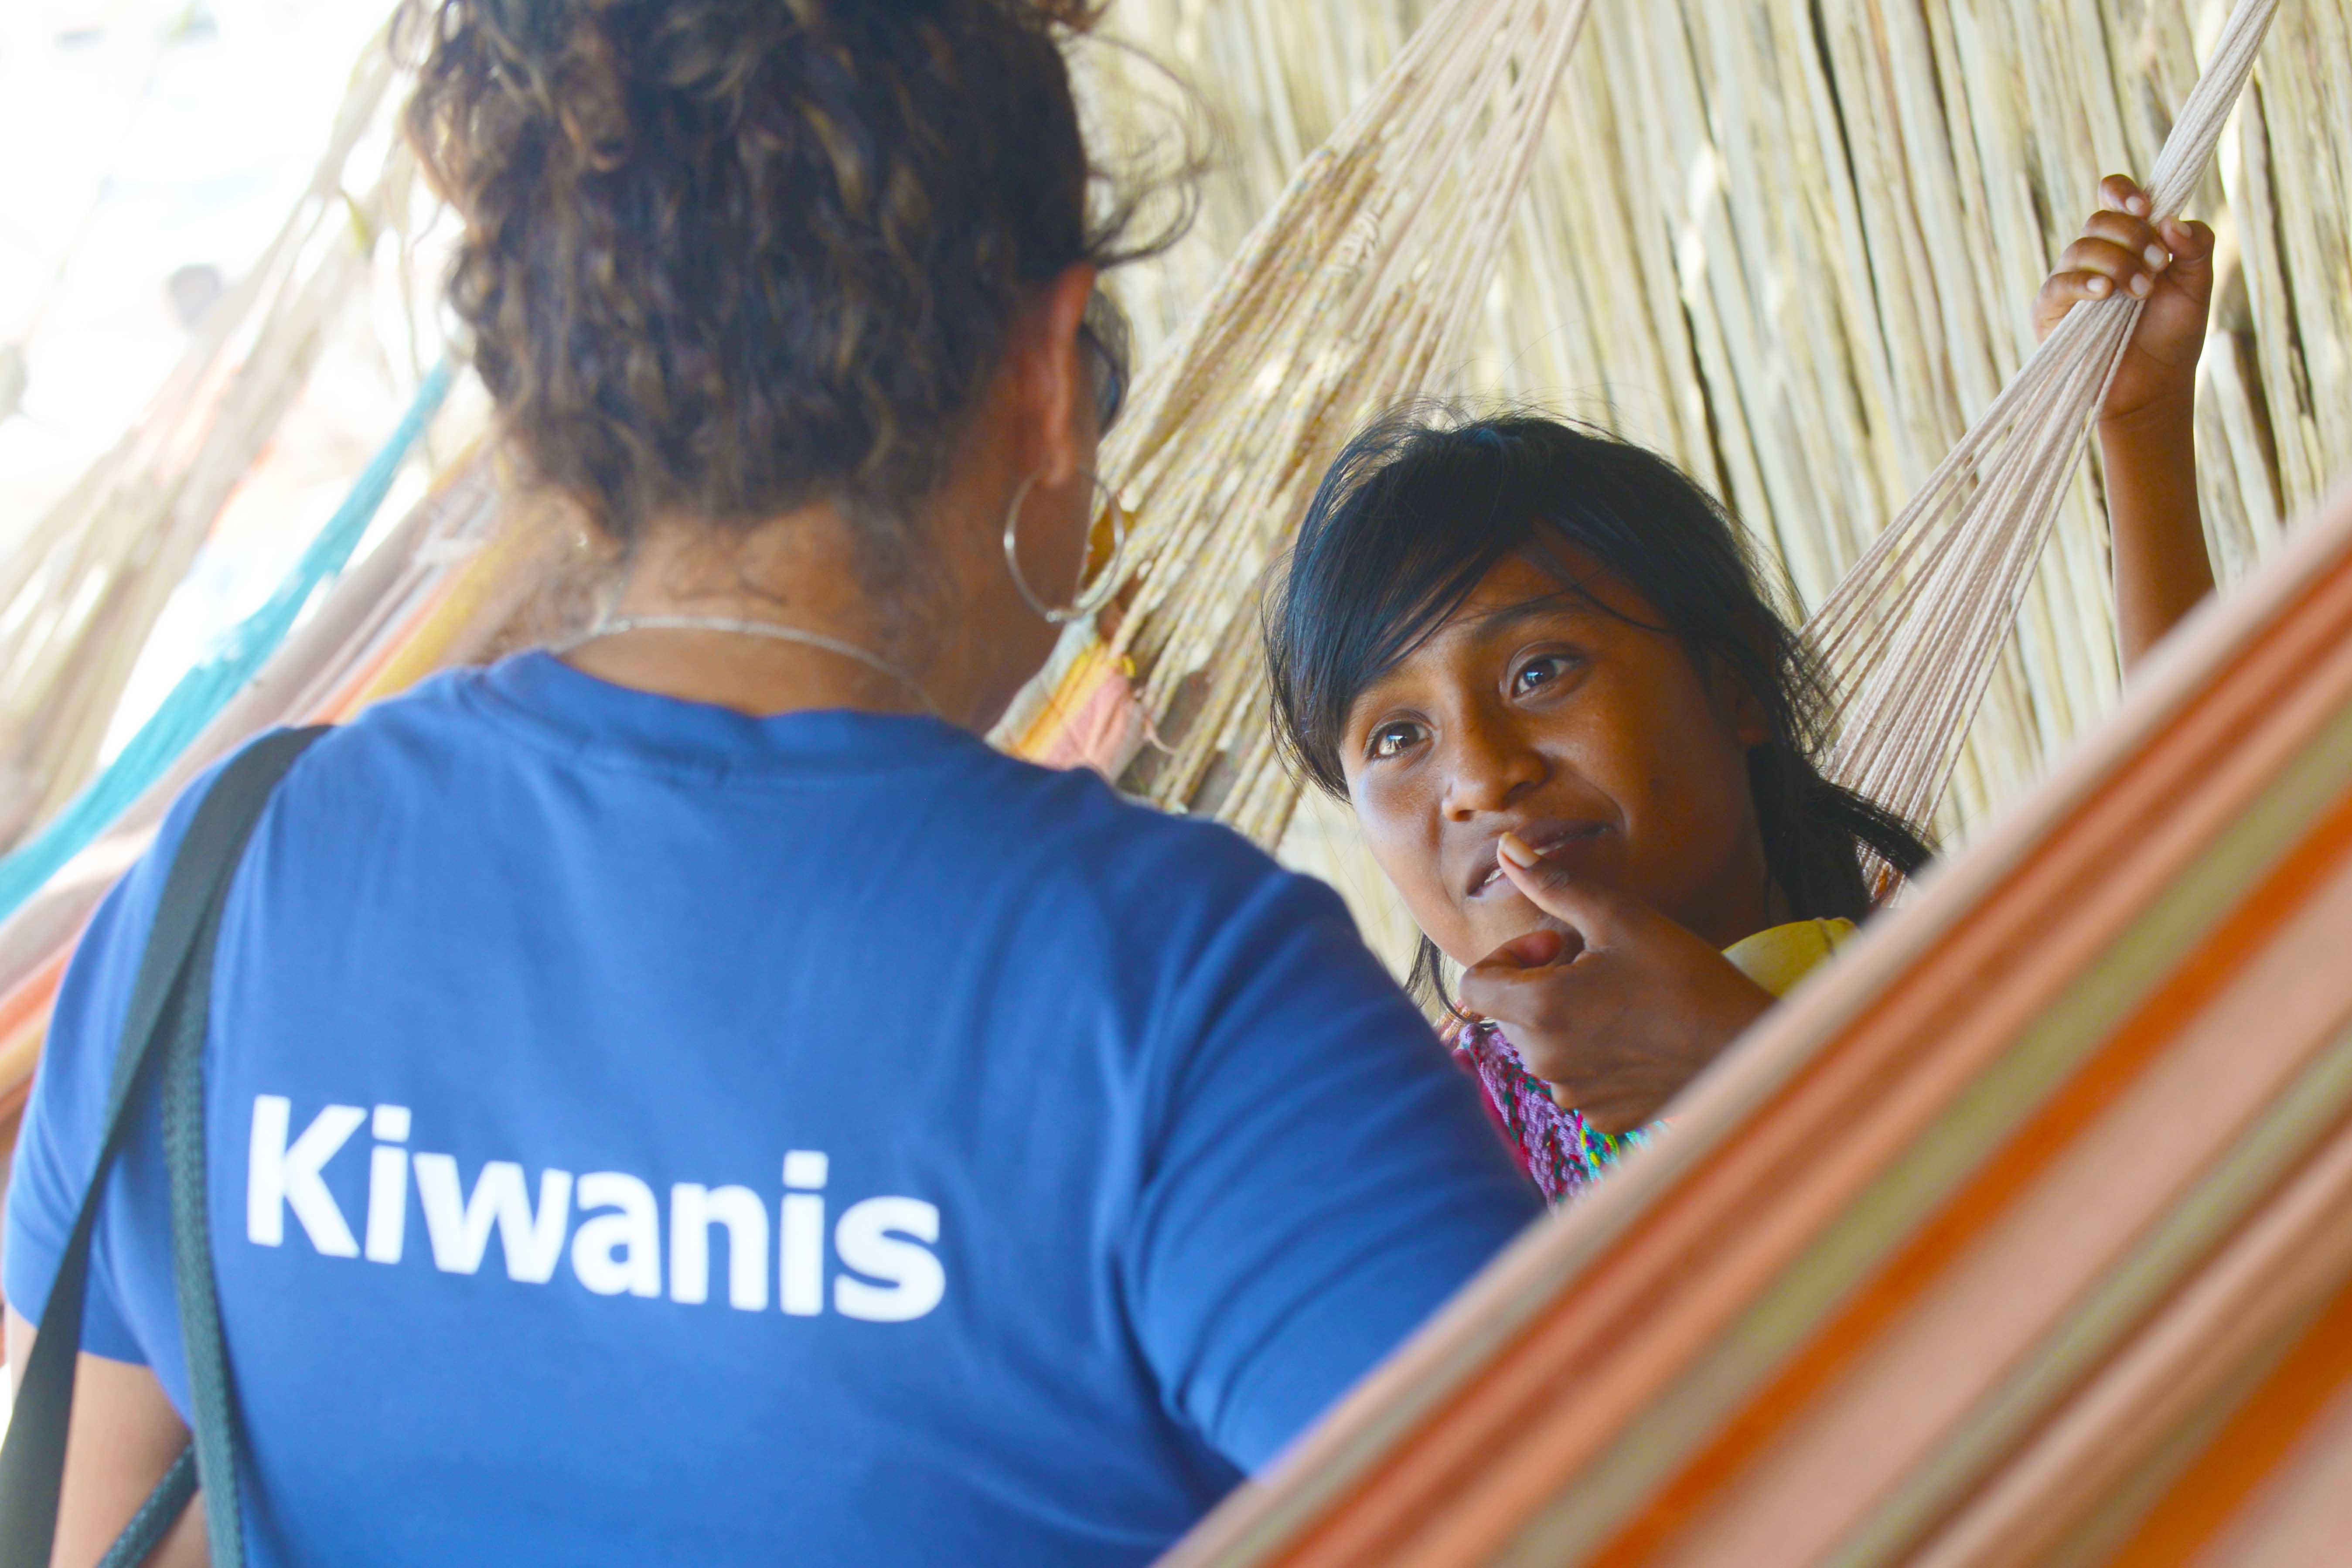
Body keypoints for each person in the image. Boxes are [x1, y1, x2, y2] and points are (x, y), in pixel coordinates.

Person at [2, 3, 1541, 1563]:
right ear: (1045, 374)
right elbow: (1599, 1497)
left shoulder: (222, 891)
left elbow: (85, 1524)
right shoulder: (1182, 1002)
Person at [1264, 177, 2219, 1202]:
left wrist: (2142, 435)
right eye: (1397, 737)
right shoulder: (1425, 1170)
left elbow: (2218, 901)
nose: (1481, 778)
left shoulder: (1953, 1007)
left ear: (1734, 687)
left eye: (1539, 672)